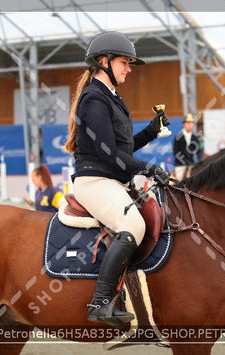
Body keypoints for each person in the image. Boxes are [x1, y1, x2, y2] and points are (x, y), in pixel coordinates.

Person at [62, 31, 170, 328]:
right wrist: (148, 167)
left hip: (112, 180)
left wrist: (151, 130)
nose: (129, 68)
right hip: (95, 182)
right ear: (104, 61)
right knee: (134, 224)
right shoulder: (93, 99)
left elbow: (122, 148)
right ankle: (100, 302)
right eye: (125, 62)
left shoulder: (111, 97)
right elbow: (109, 154)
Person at [172, 113, 203, 181]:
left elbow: (198, 151)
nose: (190, 125)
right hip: (180, 165)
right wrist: (185, 162)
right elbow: (176, 153)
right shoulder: (178, 137)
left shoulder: (195, 138)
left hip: (192, 164)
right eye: (188, 123)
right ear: (184, 124)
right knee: (179, 181)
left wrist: (201, 161)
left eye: (191, 123)